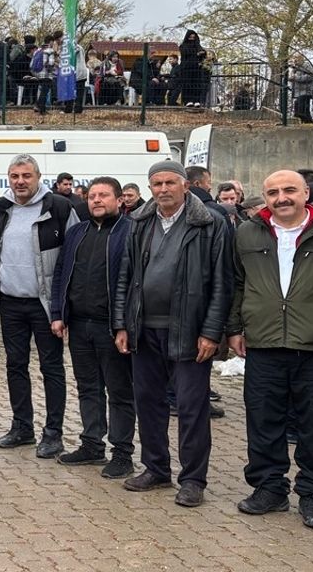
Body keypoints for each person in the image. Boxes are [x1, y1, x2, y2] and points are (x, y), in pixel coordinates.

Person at [113, 160, 231, 508]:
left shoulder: (210, 223)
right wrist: (122, 324)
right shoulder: (140, 222)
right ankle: (156, 468)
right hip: (144, 329)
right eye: (157, 184)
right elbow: (126, 276)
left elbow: (222, 283)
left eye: (169, 182)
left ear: (185, 185)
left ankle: (193, 479)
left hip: (189, 332)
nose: (163, 189)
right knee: (148, 403)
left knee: (192, 408)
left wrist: (211, 332)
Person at [228, 170, 313, 529]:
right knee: (263, 419)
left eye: (289, 190)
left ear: (306, 194)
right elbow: (238, 283)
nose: (281, 197)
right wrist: (234, 329)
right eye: (272, 192)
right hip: (264, 342)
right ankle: (269, 488)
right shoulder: (247, 232)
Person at [0, 154, 77, 458]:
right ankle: (22, 427)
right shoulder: (2, 208)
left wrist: (62, 307)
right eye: (14, 176)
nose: (20, 182)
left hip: (45, 305)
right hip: (11, 302)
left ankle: (53, 433)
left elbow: (73, 257)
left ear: (39, 177)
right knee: (15, 366)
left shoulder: (59, 207)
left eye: (26, 176)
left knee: (51, 368)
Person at [49, 177, 136, 480]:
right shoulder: (77, 232)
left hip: (111, 327)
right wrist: (58, 313)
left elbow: (134, 282)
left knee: (119, 391)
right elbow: (61, 273)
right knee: (88, 387)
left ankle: (122, 453)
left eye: (104, 195)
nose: (97, 200)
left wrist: (124, 325)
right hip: (79, 324)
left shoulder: (131, 231)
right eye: (92, 196)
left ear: (119, 200)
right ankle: (91, 444)